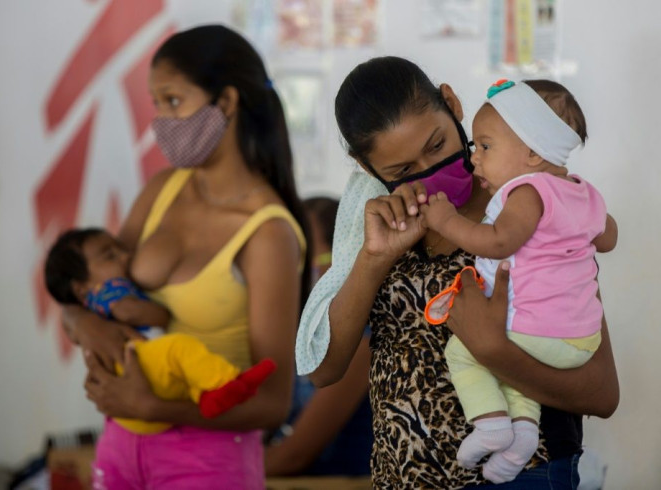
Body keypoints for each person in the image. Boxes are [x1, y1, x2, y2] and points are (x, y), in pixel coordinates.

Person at [295, 57, 619, 488]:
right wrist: (374, 259)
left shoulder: (527, 205)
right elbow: (324, 370)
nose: (429, 171)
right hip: (402, 477)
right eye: (402, 171)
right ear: (366, 166)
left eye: (436, 145)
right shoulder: (377, 224)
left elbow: (601, 392)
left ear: (451, 103)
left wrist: (494, 351)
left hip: (524, 475)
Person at [61, 25, 310, 489]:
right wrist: (82, 323)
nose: (160, 122)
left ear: (227, 103)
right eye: (156, 104)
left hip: (207, 460)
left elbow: (274, 403)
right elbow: (84, 287)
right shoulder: (161, 190)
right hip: (120, 443)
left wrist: (153, 408)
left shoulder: (268, 233)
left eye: (173, 101)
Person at [420, 79, 617, 483]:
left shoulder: (527, 191)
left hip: (534, 331)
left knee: (462, 352)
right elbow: (608, 238)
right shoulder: (584, 192)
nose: (475, 158)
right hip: (580, 340)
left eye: (486, 146)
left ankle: (491, 422)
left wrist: (447, 221)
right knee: (522, 373)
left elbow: (498, 241)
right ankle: (523, 435)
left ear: (532, 152)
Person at [45, 227, 277, 434]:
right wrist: (162, 313)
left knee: (181, 366)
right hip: (140, 370)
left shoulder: (93, 302)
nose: (126, 257)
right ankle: (223, 384)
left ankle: (207, 393)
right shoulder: (108, 291)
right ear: (81, 288)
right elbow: (128, 312)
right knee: (180, 348)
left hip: (131, 409)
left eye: (121, 249)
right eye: (110, 256)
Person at [265, 197, 373, 477]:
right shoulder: (295, 328)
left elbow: (293, 457)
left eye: (302, 253)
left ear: (345, 256)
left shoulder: (364, 337)